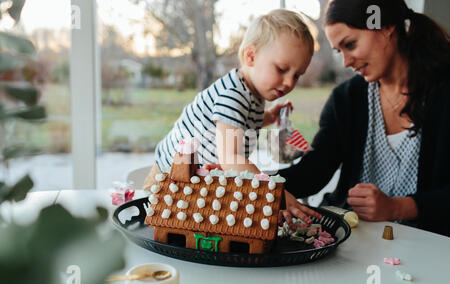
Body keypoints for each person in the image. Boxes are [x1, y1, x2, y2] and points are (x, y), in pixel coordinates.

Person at [279, 0, 450, 237]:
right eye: (339, 51)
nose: (346, 62)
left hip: (428, 245)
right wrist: (258, 182)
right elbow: (314, 171)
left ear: (385, 27)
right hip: (352, 239)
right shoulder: (347, 99)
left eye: (350, 44)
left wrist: (397, 207)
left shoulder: (443, 92)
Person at [143, 9, 315, 190]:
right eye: (281, 69)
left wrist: (269, 117)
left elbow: (239, 122)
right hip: (170, 178)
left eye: (297, 75)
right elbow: (231, 159)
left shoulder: (251, 92)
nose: (289, 82)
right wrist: (271, 189)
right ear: (251, 57)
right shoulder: (232, 95)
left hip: (196, 180)